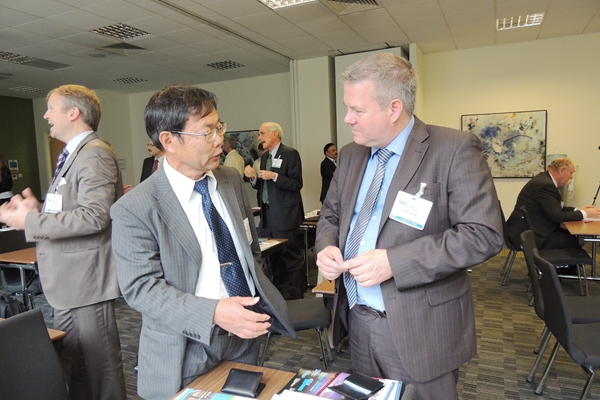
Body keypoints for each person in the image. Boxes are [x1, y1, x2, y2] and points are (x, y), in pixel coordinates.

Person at [315, 53, 503, 400]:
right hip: (358, 318)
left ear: (394, 108)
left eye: (357, 110)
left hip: (421, 326)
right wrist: (326, 246)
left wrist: (394, 262)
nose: (347, 119)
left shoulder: (453, 149)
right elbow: (331, 213)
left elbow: (483, 234)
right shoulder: (351, 154)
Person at [110, 85, 295, 400]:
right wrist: (213, 313)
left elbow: (249, 248)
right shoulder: (135, 207)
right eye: (207, 132)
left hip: (243, 338)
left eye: (219, 127)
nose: (219, 139)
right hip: (185, 345)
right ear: (169, 140)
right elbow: (141, 290)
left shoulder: (230, 180)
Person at [0, 84, 127, 400]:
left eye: (51, 108)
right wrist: (39, 210)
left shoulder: (94, 153)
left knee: (100, 366)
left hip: (85, 281)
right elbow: (73, 209)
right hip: (69, 281)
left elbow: (95, 216)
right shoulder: (75, 154)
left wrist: (30, 221)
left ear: (74, 112)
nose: (45, 115)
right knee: (74, 361)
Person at [244, 122, 306, 291]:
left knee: (291, 256)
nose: (259, 138)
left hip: (285, 216)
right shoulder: (265, 158)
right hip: (267, 217)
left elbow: (296, 183)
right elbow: (264, 187)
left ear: (274, 134)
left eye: (262, 133)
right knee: (273, 258)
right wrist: (253, 179)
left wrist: (275, 176)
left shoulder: (290, 154)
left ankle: (299, 294)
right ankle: (282, 295)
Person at [506, 157, 600, 250]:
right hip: (531, 235)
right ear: (561, 170)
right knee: (573, 241)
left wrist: (578, 210)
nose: (571, 177)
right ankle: (554, 261)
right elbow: (556, 216)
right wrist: (585, 214)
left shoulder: (544, 180)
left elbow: (555, 208)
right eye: (571, 173)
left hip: (529, 229)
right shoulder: (545, 185)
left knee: (570, 237)